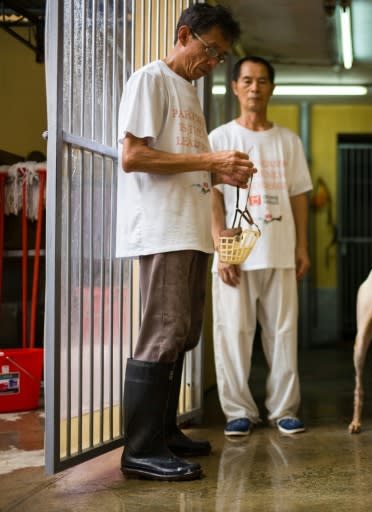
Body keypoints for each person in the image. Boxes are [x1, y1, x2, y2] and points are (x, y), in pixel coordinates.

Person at [115, 4, 255, 481]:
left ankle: (165, 432)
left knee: (184, 332)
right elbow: (133, 156)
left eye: (220, 57)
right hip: (163, 225)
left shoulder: (189, 94)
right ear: (183, 35)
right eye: (211, 51)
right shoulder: (150, 79)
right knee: (163, 331)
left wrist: (219, 169)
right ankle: (139, 449)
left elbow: (188, 160)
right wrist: (211, 158)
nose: (213, 63)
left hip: (191, 228)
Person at [209, 56, 312, 438]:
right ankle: (238, 412)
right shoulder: (219, 139)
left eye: (263, 81)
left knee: (283, 332)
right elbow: (211, 195)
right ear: (235, 86)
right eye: (248, 80)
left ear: (271, 88)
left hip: (281, 248)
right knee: (233, 331)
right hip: (237, 251)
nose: (255, 88)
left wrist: (302, 245)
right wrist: (221, 245)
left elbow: (299, 194)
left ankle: (284, 410)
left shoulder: (288, 140)